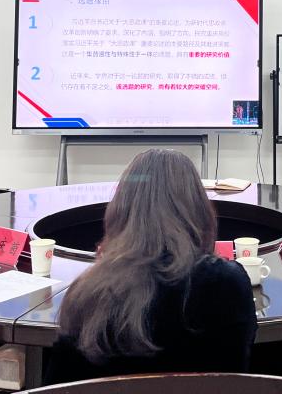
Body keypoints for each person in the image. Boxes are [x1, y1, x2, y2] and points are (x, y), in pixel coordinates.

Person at [46, 149, 256, 383]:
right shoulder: (227, 282)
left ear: (122, 208)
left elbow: (58, 384)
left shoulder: (88, 291)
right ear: (198, 207)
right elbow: (239, 372)